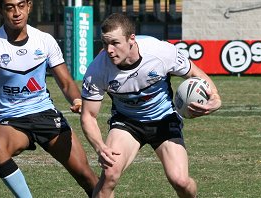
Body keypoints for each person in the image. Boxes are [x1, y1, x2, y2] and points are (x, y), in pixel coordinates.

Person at [80, 13, 222, 198]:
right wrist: (100, 147)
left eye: (115, 43)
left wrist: (216, 99)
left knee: (180, 180)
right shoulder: (97, 70)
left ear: (131, 39)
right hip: (127, 123)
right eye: (105, 43)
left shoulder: (160, 52)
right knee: (109, 176)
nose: (109, 50)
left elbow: (195, 73)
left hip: (164, 120)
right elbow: (88, 116)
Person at [0, 0, 98, 197]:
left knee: (87, 177)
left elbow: (66, 83)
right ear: (0, 10)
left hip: (46, 115)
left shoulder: (44, 40)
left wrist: (77, 100)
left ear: (29, 6)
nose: (16, 13)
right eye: (10, 7)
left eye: (21, 6)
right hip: (13, 121)